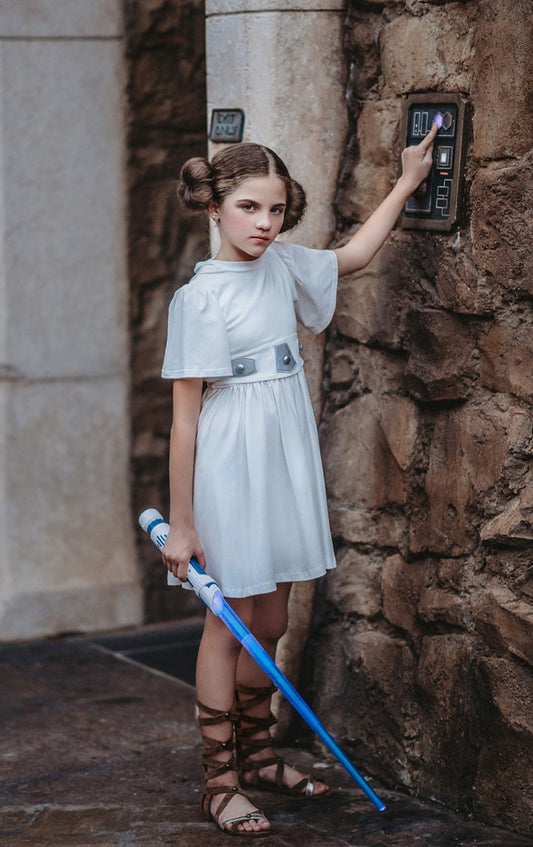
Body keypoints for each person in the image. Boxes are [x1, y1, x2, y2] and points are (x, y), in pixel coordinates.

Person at [160, 123, 438, 837]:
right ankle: (220, 780)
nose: (264, 223)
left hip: (282, 454)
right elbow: (186, 421)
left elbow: (351, 254)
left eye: (276, 209)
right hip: (229, 459)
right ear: (215, 207)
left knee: (275, 616)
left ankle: (258, 754)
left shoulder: (282, 266)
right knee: (232, 624)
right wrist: (183, 523)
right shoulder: (201, 298)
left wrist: (407, 180)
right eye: (249, 207)